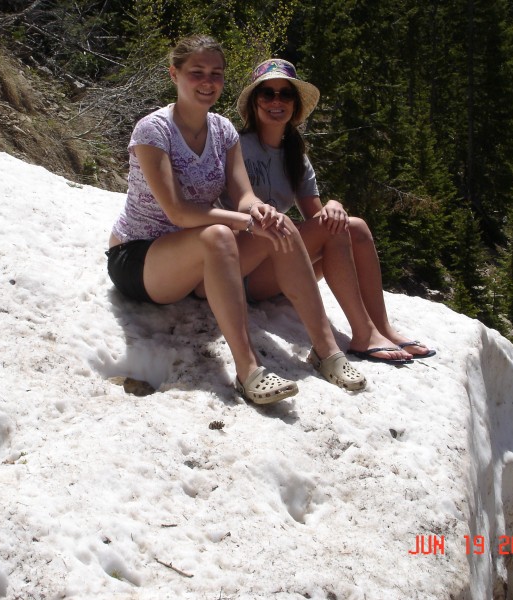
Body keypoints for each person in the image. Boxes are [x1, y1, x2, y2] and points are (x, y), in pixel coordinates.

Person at [106, 35, 367, 404]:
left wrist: (259, 211)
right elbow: (177, 211)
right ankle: (249, 371)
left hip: (197, 262)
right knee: (218, 235)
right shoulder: (154, 130)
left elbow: (243, 195)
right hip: (141, 258)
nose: (208, 82)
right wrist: (243, 222)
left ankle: (327, 352)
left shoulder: (223, 131)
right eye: (197, 72)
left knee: (280, 224)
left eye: (216, 73)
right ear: (174, 74)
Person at [231, 58, 435, 363]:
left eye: (285, 94)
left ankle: (381, 327)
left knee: (354, 226)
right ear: (254, 103)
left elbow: (318, 219)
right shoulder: (235, 145)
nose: (276, 101)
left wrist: (334, 205)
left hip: (278, 265)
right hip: (243, 266)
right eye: (267, 94)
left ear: (295, 105)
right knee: (333, 227)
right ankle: (363, 334)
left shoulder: (295, 157)